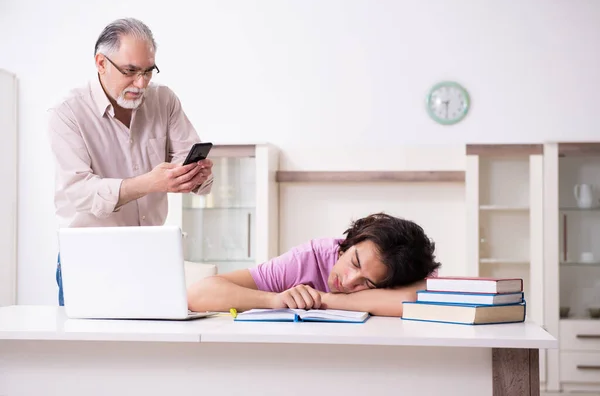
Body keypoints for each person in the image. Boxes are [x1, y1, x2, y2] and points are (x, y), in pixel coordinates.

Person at [47, 18, 213, 306]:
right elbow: (79, 192)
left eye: (148, 71)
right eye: (130, 71)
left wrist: (195, 176)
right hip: (89, 259)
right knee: (87, 350)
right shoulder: (66, 112)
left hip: (152, 255)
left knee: (151, 348)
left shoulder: (164, 100)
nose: (141, 83)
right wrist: (149, 182)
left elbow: (189, 162)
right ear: (101, 63)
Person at [187, 213, 441, 317]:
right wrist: (275, 300)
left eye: (367, 284)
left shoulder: (408, 267)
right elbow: (197, 295)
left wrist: (322, 299)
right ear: (348, 242)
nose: (349, 281)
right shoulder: (308, 259)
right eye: (354, 262)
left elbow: (417, 298)